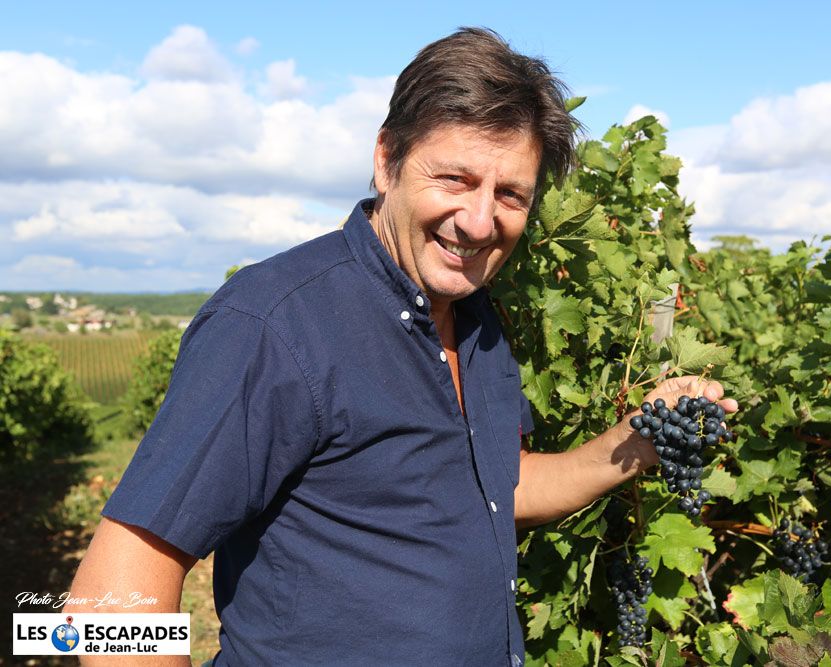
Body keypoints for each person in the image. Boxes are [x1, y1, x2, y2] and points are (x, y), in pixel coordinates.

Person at [68, 27, 737, 666]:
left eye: (510, 194)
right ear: (386, 160)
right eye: (455, 179)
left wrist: (635, 441)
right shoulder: (274, 324)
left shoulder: (475, 319)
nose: (479, 221)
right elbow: (106, 598)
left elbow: (494, 487)